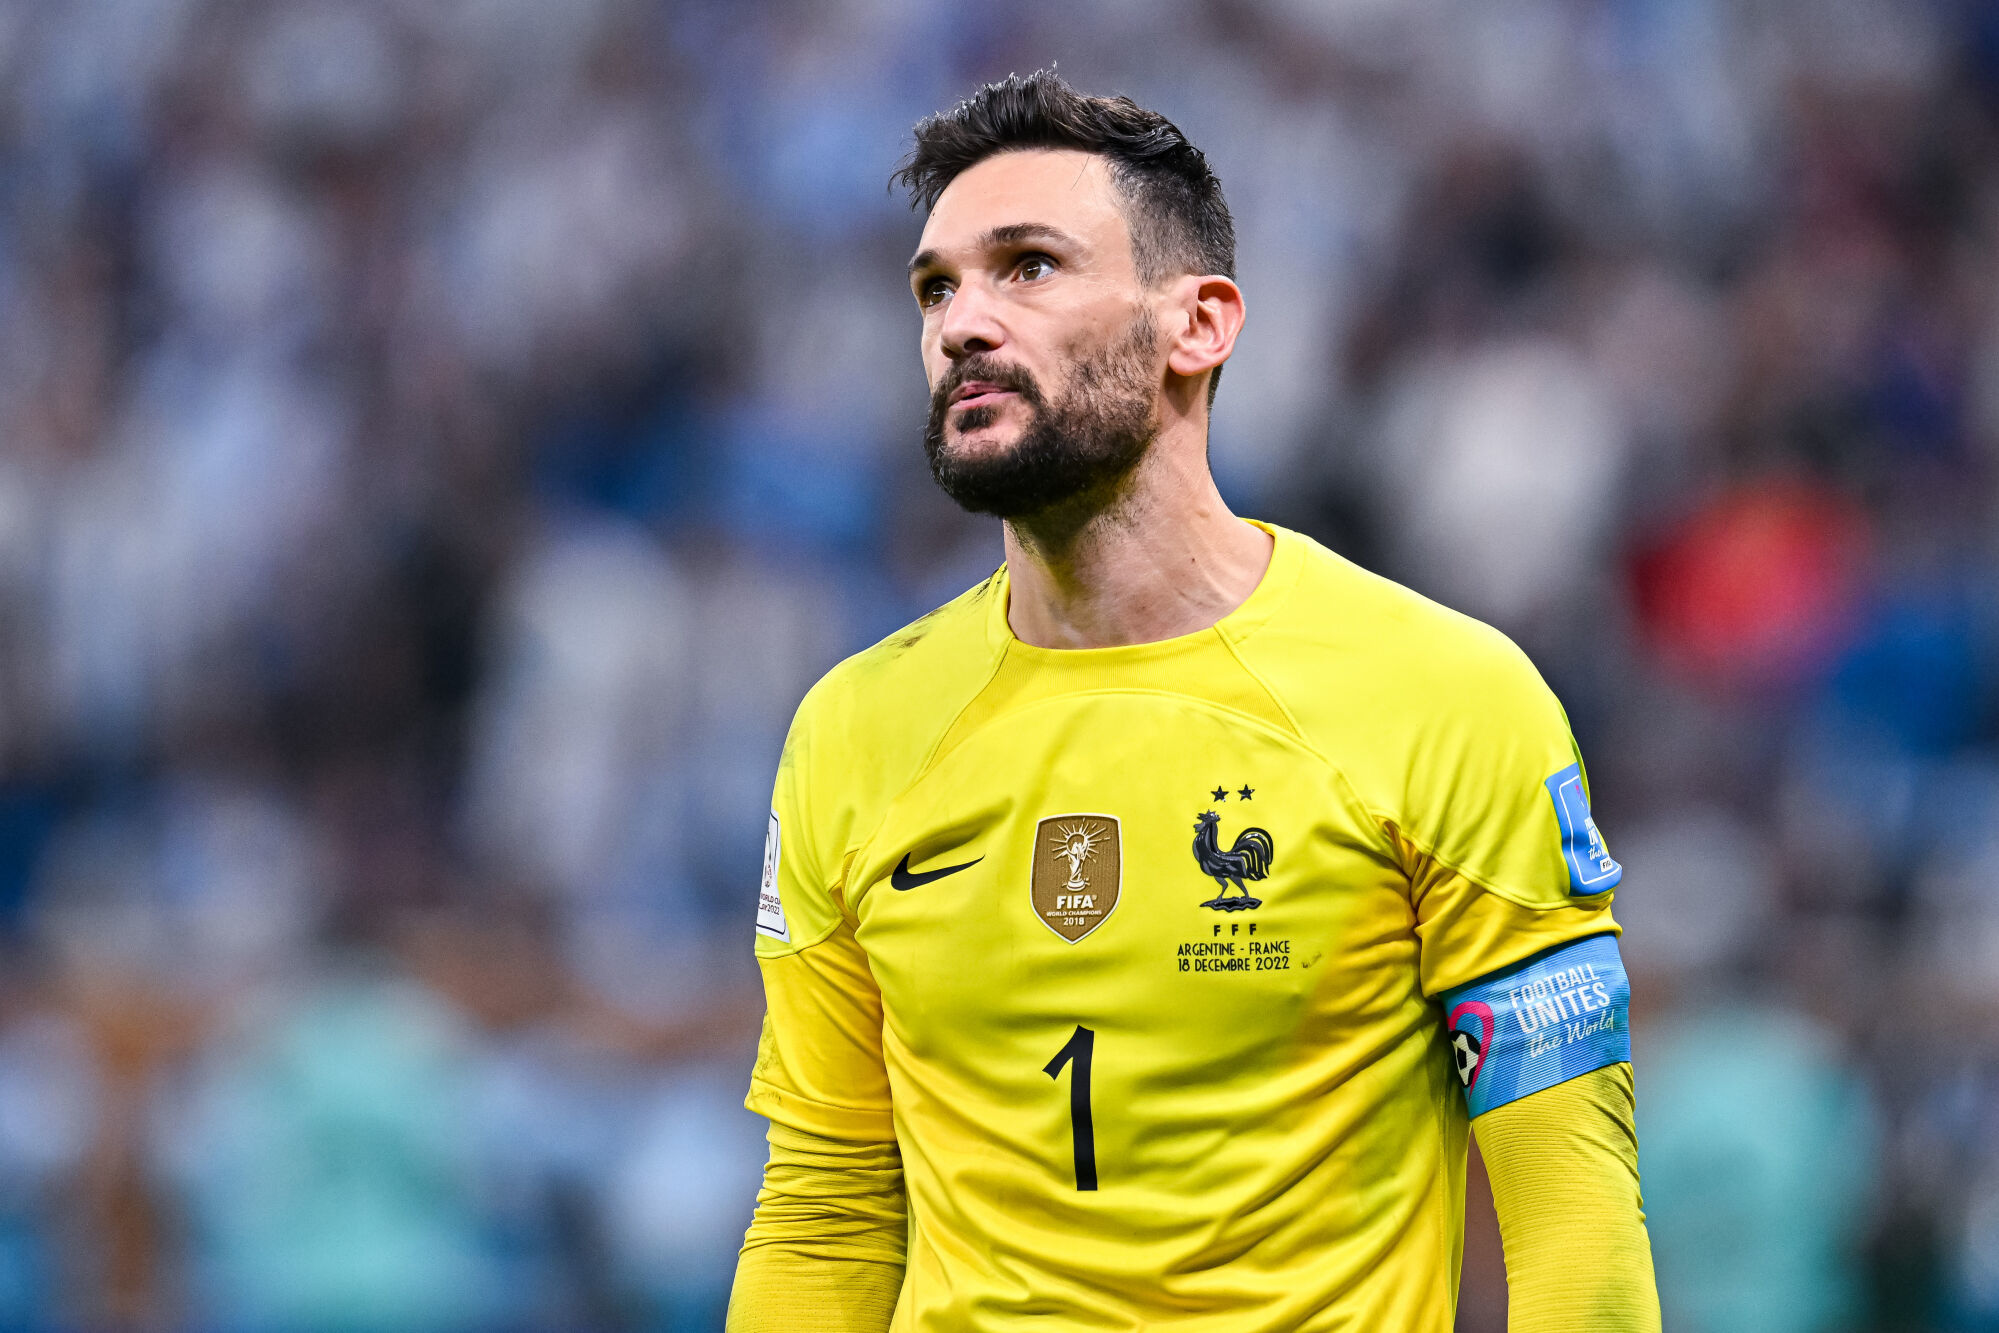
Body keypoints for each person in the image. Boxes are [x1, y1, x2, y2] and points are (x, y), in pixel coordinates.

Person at [728, 70, 1659, 1332]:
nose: (962, 324)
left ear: (1199, 325)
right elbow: (824, 1211)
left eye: (1029, 267)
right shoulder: (852, 731)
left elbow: (1572, 1226)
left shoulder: (1447, 700)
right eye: (936, 288)